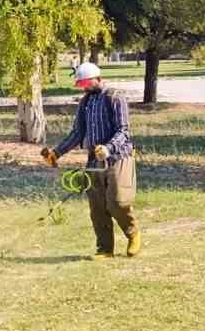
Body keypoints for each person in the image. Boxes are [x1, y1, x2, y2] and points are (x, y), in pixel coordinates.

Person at [41, 62, 141, 260]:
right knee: (97, 206)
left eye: (88, 83)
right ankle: (105, 249)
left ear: (98, 78)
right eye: (82, 85)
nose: (85, 87)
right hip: (94, 160)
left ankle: (133, 233)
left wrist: (108, 148)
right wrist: (57, 153)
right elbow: (78, 132)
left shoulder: (114, 97)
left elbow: (124, 130)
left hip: (118, 157)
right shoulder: (85, 102)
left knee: (118, 202)